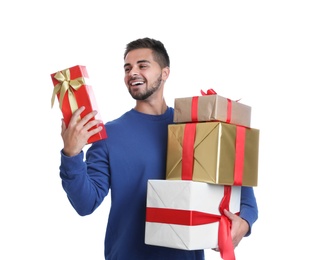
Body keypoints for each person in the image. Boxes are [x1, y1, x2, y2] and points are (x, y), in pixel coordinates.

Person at [59, 37, 258, 259]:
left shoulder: (198, 128)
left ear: (165, 73)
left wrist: (245, 222)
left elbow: (245, 198)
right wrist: (72, 154)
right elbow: (85, 204)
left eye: (142, 65)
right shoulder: (109, 135)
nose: (132, 72)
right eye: (127, 68)